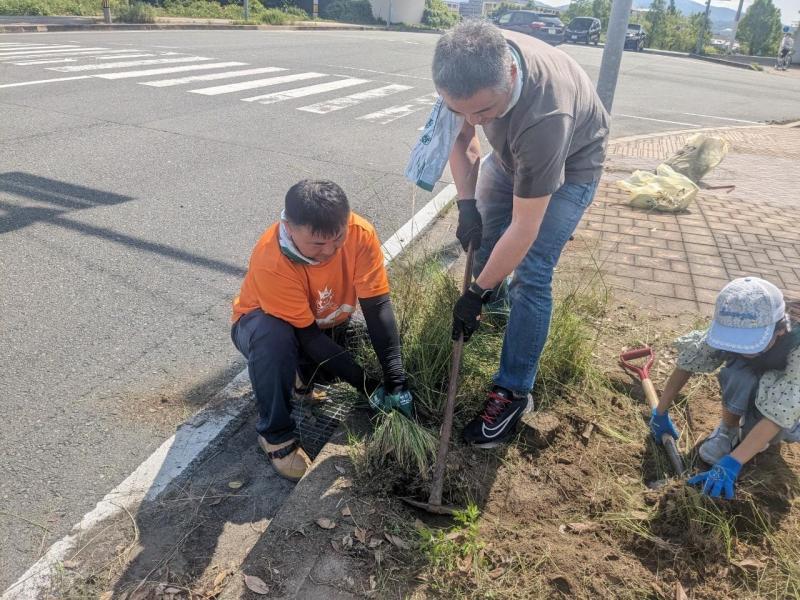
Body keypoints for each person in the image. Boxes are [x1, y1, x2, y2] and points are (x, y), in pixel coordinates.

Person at [431, 20, 610, 447]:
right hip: (512, 156)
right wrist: (466, 202)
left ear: (510, 76)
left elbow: (526, 227)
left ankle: (512, 391)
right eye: (462, 108)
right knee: (486, 237)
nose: (473, 119)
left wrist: (475, 292)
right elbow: (462, 137)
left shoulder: (546, 117)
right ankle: (497, 310)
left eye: (484, 111)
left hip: (571, 168)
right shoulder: (463, 67)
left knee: (531, 273)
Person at [231, 180, 412, 481]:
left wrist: (395, 378)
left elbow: (377, 307)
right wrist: (368, 385)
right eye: (317, 244)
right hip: (266, 327)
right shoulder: (272, 260)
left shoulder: (359, 234)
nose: (329, 251)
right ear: (289, 227)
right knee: (275, 340)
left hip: (324, 323)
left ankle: (302, 380)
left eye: (337, 238)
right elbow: (308, 336)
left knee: (380, 343)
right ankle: (275, 435)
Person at [650, 277, 800, 499]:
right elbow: (689, 362)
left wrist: (732, 462)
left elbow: (784, 408)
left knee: (772, 431)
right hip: (760, 378)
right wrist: (659, 413)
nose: (741, 349)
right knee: (738, 373)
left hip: (791, 393)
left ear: (779, 330)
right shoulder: (733, 322)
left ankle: (755, 439)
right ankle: (728, 430)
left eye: (750, 343)